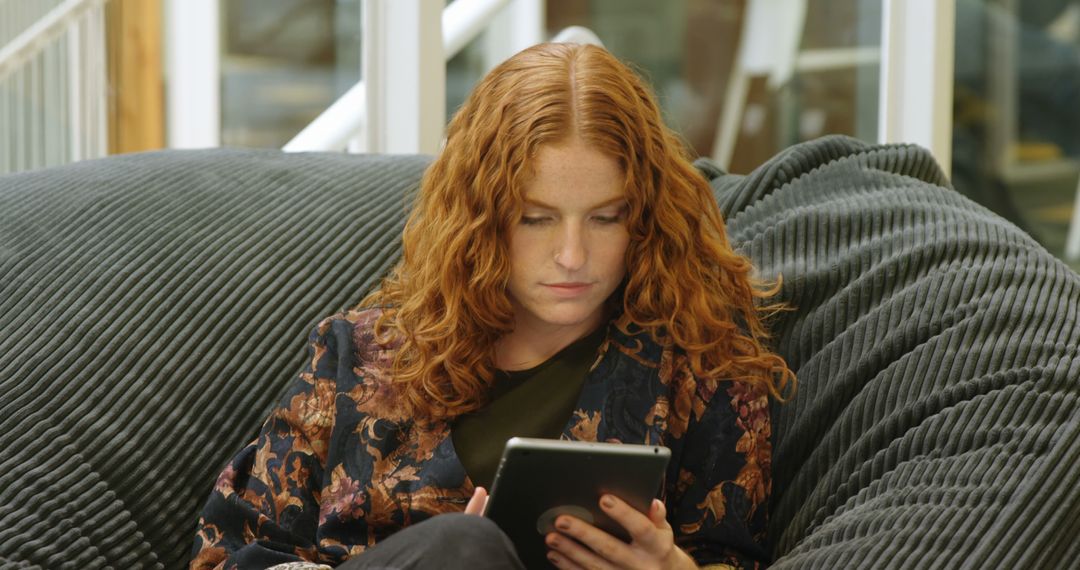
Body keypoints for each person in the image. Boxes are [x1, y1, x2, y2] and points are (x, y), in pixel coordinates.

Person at [189, 42, 794, 570]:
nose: (572, 256)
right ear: (480, 219)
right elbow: (230, 551)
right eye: (536, 219)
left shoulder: (701, 363)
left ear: (646, 219)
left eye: (607, 218)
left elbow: (733, 556)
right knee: (463, 550)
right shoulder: (362, 356)